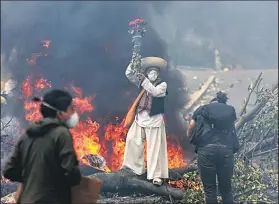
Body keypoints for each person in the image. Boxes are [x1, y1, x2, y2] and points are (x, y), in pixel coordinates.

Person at [2, 89, 82, 204]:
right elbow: (72, 174)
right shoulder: (61, 133)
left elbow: (9, 170)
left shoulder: (27, 135)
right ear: (59, 113)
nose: (73, 113)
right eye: (71, 109)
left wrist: (32, 178)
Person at [121, 56, 169, 186]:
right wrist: (134, 61)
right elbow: (129, 74)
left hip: (154, 121)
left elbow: (154, 92)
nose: (152, 74)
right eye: (150, 72)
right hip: (140, 118)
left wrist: (143, 80)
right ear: (147, 73)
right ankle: (133, 169)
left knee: (154, 148)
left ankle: (156, 176)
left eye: (155, 72)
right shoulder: (143, 82)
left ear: (158, 74)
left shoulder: (162, 85)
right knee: (132, 140)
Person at [186, 91, 239, 204]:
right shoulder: (230, 111)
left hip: (206, 151)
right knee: (226, 189)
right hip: (226, 151)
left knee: (210, 190)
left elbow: (191, 127)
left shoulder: (202, 109)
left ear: (211, 103)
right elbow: (232, 130)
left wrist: (189, 136)